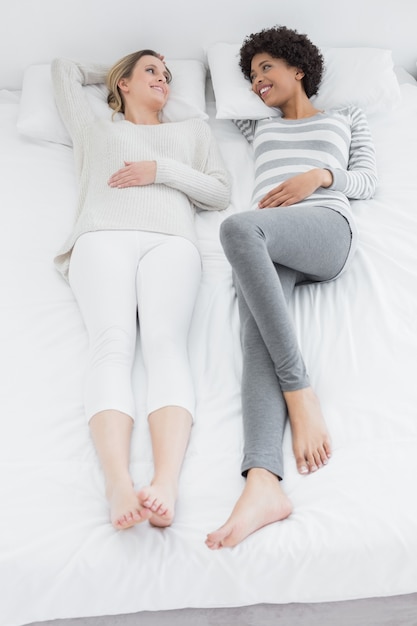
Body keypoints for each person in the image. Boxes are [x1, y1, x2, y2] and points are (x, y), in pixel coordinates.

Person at [206, 26, 377, 549]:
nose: (257, 82)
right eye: (252, 75)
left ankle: (300, 392)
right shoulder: (259, 128)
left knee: (238, 226)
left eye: (266, 69)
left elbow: (368, 181)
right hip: (268, 244)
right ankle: (262, 482)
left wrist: (319, 178)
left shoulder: (346, 120)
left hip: (324, 230)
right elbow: (206, 88)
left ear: (297, 69)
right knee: (255, 331)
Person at [51, 50, 230, 530]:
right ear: (123, 83)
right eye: (151, 71)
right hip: (101, 236)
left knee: (165, 346)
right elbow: (63, 67)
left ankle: (166, 481)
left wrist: (161, 171)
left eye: (169, 76)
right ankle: (117, 483)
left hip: (172, 241)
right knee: (111, 344)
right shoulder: (96, 130)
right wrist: (116, 67)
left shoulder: (192, 131)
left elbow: (220, 192)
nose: (164, 80)